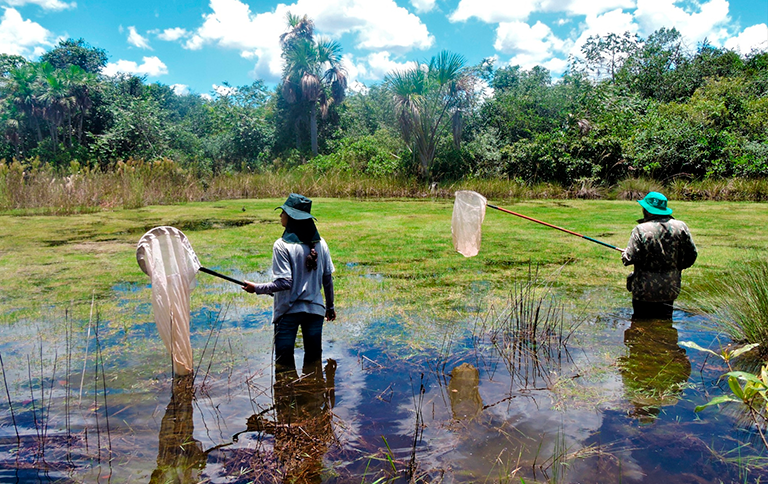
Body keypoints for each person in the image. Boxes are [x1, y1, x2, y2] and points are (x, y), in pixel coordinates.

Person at [243, 194, 336, 371]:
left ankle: (287, 398)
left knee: (283, 366)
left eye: (283, 212)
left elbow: (285, 283)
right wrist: (330, 307)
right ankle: (314, 394)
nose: (280, 216)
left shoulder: (281, 245)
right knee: (314, 362)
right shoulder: (321, 243)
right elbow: (327, 279)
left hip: (288, 312)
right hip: (316, 310)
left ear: (291, 217)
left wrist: (257, 288)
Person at [622, 192, 697, 319]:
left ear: (648, 210)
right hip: (670, 288)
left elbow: (629, 258)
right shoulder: (681, 227)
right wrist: (676, 268)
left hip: (644, 291)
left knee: (640, 327)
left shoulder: (640, 229)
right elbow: (691, 255)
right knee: (666, 323)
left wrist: (625, 253)